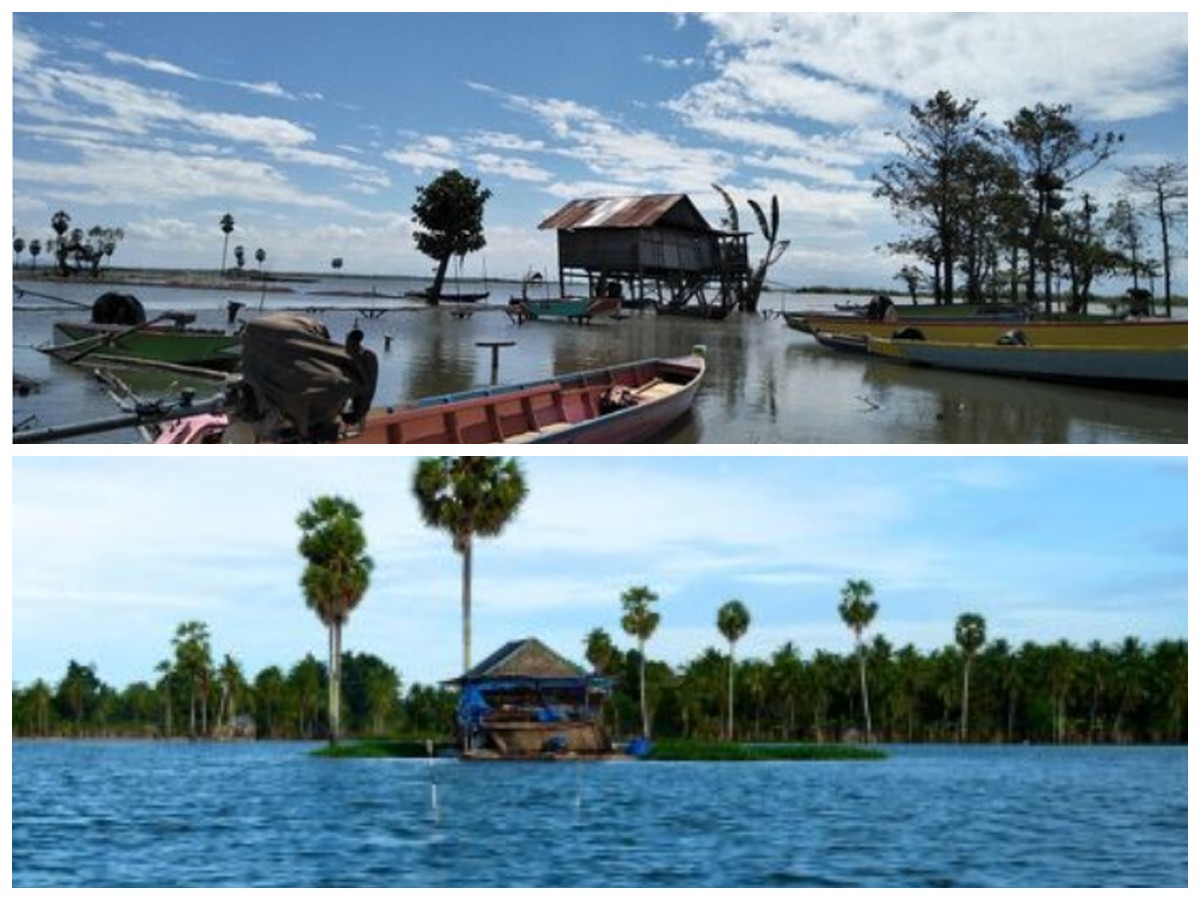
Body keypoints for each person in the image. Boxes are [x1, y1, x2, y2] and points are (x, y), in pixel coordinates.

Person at [343, 328, 378, 426]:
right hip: (361, 403)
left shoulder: (363, 356)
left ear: (350, 340)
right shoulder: (369, 354)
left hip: (356, 407)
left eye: (347, 339)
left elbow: (365, 384)